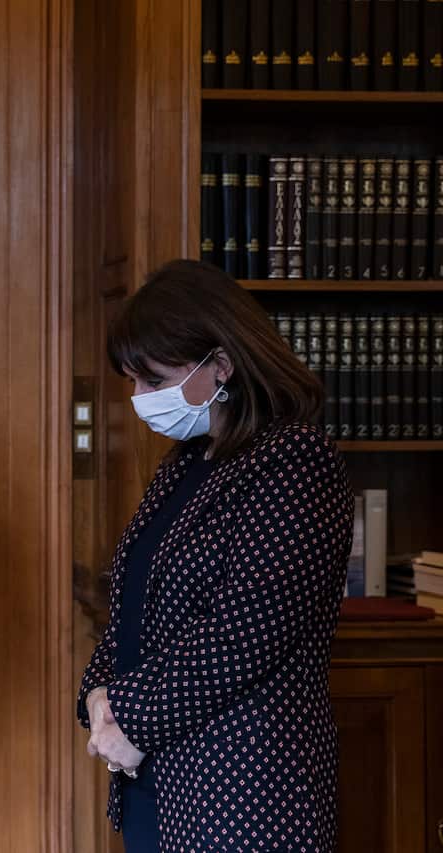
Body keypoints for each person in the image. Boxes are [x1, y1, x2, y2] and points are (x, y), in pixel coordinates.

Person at [77, 259, 354, 852]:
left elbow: (248, 630)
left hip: (243, 791)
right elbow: (137, 600)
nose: (139, 399)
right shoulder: (187, 461)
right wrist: (98, 695)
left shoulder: (296, 461)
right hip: (158, 777)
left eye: (153, 380)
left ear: (220, 366)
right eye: (132, 381)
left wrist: (130, 712)